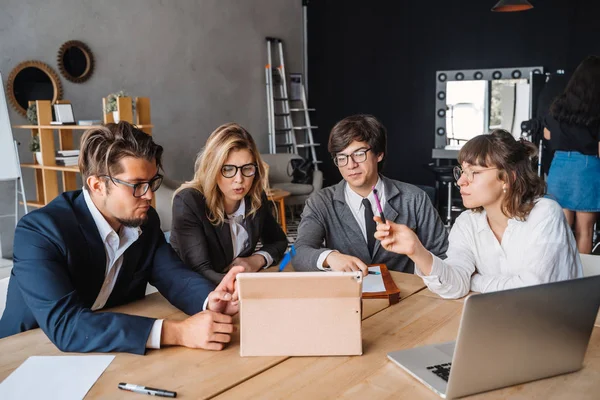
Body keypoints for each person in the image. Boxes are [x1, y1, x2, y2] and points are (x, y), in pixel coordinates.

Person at [0, 121, 242, 354]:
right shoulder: (40, 232)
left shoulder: (145, 221)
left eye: (152, 182)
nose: (148, 196)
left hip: (112, 348)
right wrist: (178, 333)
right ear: (97, 185)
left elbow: (173, 276)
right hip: (26, 352)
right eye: (137, 185)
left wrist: (210, 300)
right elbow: (67, 325)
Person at [375, 130, 583, 299]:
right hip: (500, 325)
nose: (461, 182)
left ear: (507, 179)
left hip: (555, 330)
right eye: (462, 172)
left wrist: (474, 281)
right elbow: (455, 287)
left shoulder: (545, 213)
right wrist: (417, 252)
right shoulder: (468, 222)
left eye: (474, 172)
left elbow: (532, 291)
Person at [293, 114, 448, 274]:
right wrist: (330, 257)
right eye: (342, 157)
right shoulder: (320, 201)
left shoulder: (415, 199)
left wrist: (417, 252)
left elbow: (442, 256)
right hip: (348, 294)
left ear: (379, 154)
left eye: (359, 154)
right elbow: (299, 252)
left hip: (405, 295)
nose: (351, 165)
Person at [170, 123, 287, 285]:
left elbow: (279, 241)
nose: (239, 179)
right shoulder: (189, 201)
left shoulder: (255, 197)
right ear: (213, 169)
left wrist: (256, 260)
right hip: (193, 292)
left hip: (234, 288)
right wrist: (242, 287)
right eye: (228, 169)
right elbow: (200, 269)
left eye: (247, 168)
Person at [544, 55, 600, 254]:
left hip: (560, 168)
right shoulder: (596, 109)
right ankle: (581, 282)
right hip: (587, 168)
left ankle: (561, 278)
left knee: (561, 230)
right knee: (584, 231)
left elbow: (547, 134)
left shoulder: (559, 105)